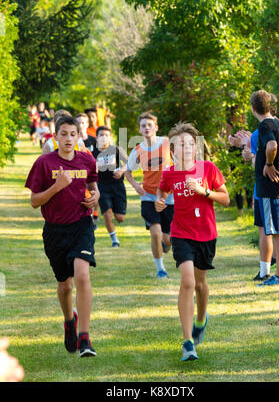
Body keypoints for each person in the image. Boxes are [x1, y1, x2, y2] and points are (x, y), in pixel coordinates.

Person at [25, 115, 100, 357]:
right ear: (55, 137)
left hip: (82, 225)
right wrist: (57, 186)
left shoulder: (86, 160)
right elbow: (35, 201)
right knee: (64, 285)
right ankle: (70, 321)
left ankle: (85, 337)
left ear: (79, 137)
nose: (68, 138)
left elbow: (93, 187)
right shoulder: (44, 163)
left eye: (73, 134)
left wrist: (95, 197)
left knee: (82, 274)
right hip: (55, 230)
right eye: (64, 134)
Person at [155, 122, 230, 361]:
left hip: (206, 234)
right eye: (180, 145)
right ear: (173, 150)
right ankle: (187, 342)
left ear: (195, 147)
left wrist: (203, 191)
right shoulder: (169, 173)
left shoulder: (207, 168)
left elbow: (226, 199)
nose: (186, 148)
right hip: (181, 233)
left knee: (200, 284)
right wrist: (159, 202)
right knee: (187, 282)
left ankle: (201, 319)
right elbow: (162, 192)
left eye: (190, 144)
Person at [115, 112, 173, 278]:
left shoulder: (167, 143)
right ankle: (160, 269)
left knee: (168, 238)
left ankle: (165, 242)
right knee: (155, 232)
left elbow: (179, 163)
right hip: (148, 196)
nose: (146, 128)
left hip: (169, 197)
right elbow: (128, 170)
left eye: (149, 125)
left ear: (156, 127)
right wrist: (135, 186)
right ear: (140, 130)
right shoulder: (138, 150)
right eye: (143, 126)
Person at [249, 90, 279, 286]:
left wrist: (270, 164)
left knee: (277, 231)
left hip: (271, 186)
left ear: (254, 109)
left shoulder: (265, 125)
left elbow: (271, 145)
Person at [93, 125, 128, 247]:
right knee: (107, 213)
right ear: (97, 137)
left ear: (110, 137)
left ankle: (116, 209)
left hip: (118, 186)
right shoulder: (93, 153)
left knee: (120, 218)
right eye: (101, 135)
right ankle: (114, 240)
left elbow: (129, 163)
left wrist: (121, 171)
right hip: (102, 186)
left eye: (106, 135)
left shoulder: (116, 149)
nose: (104, 137)